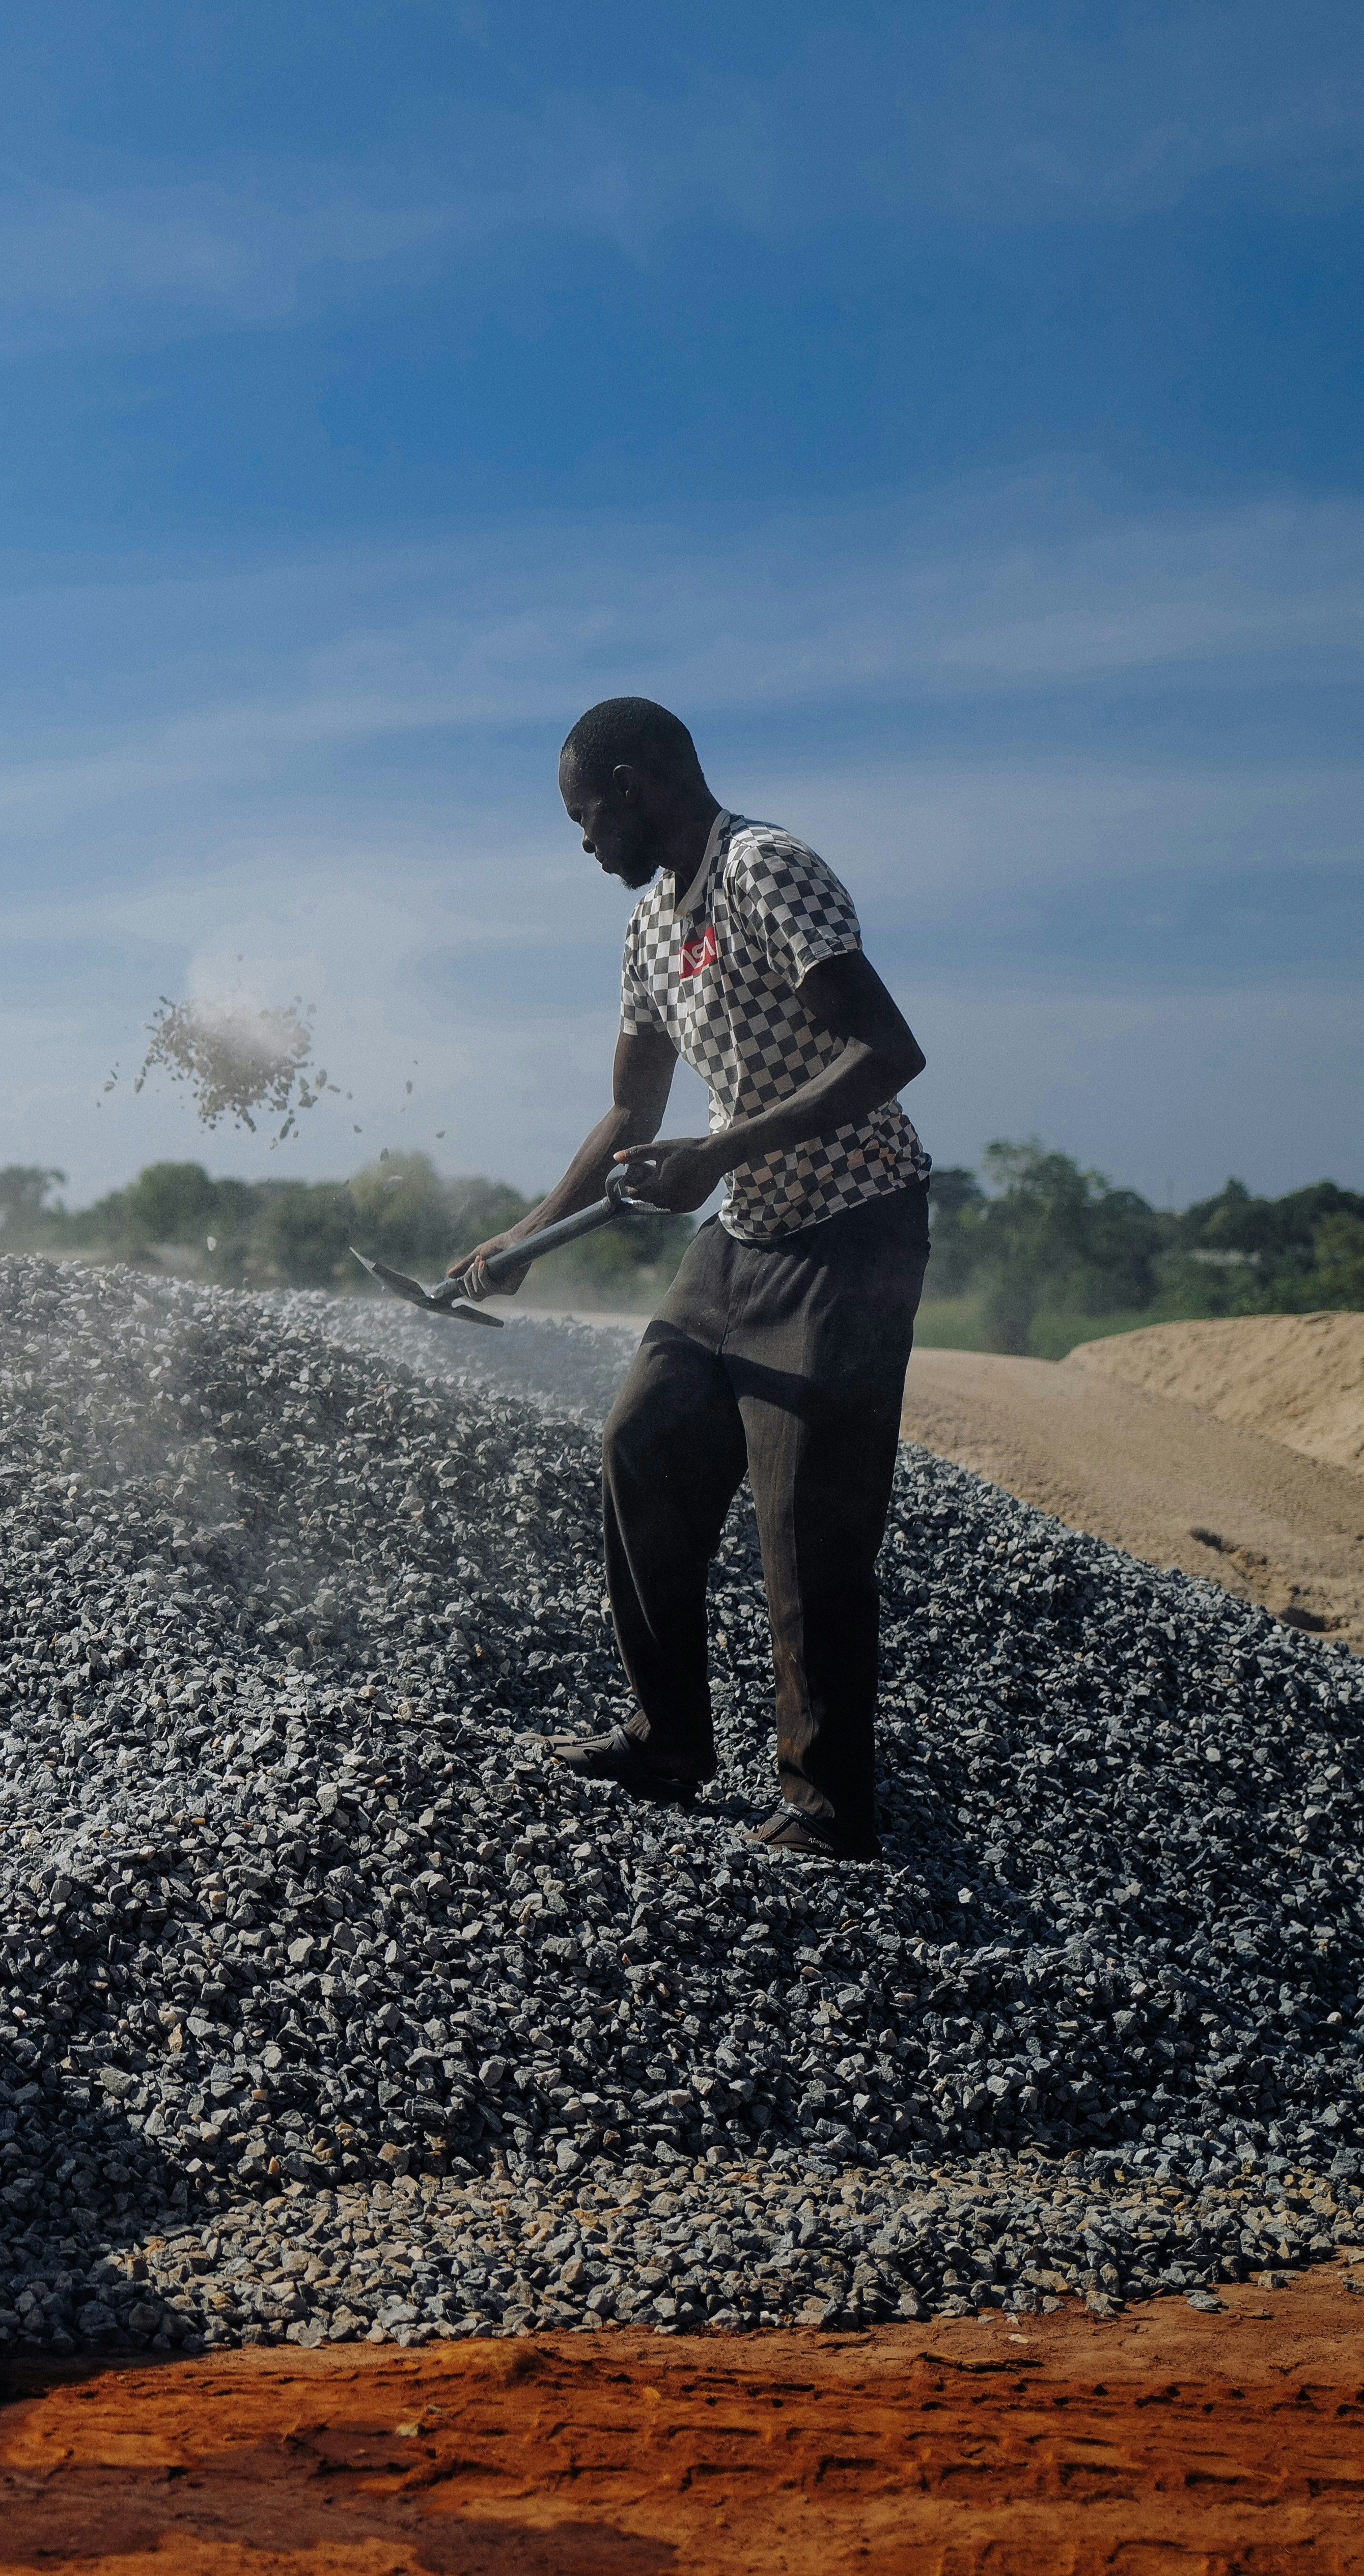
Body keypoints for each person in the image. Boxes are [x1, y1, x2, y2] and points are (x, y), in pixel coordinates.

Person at [461, 697, 932, 1860]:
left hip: (852, 1225)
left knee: (806, 1525)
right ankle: (670, 1738)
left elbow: (890, 1052)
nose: (583, 845)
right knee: (643, 1440)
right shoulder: (647, 930)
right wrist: (520, 1238)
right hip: (746, 1228)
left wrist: (716, 1155)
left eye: (585, 817)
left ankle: (827, 1808)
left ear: (632, 785)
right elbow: (635, 1109)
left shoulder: (767, 871)